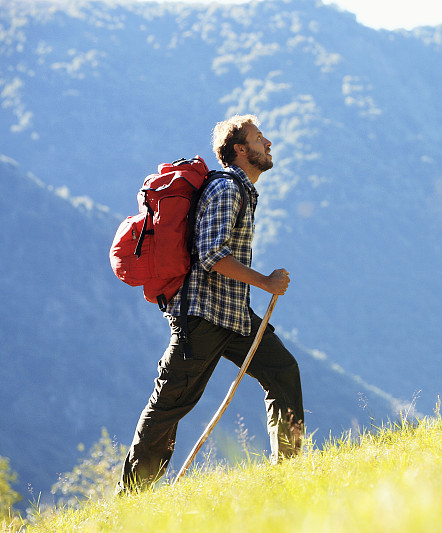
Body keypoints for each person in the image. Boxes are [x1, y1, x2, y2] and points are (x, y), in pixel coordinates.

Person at [117, 114, 304, 493]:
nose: (268, 143)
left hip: (232, 315)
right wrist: (265, 281)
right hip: (202, 318)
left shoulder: (241, 190)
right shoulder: (227, 189)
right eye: (259, 138)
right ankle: (132, 497)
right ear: (240, 149)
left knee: (282, 370)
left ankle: (290, 470)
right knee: (169, 405)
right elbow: (211, 254)